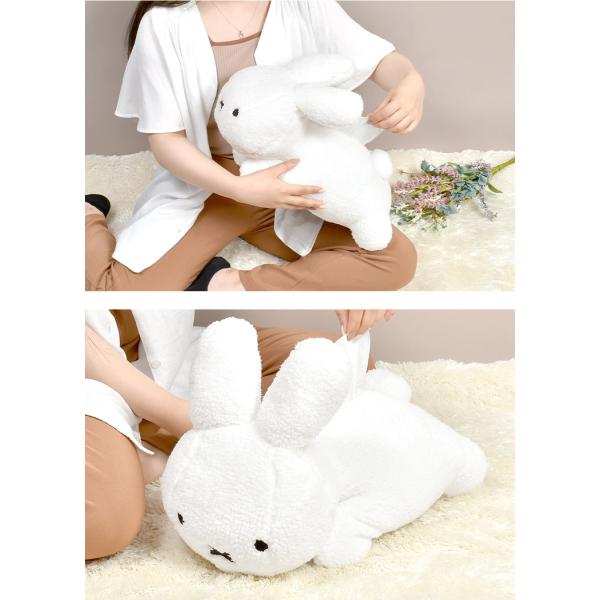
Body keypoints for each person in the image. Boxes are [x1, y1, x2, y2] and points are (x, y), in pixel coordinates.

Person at [85, 1, 423, 291]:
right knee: (119, 301)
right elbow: (166, 140)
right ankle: (85, 216)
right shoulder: (163, 23)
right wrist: (239, 189)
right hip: (215, 182)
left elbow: (381, 59)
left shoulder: (303, 4)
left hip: (297, 179)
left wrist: (410, 83)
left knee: (392, 260)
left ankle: (225, 284)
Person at [85, 309, 395, 560]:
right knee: (103, 524)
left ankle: (157, 450)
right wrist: (185, 418)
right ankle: (152, 448)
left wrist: (346, 291)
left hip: (159, 351)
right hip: (91, 376)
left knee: (341, 370)